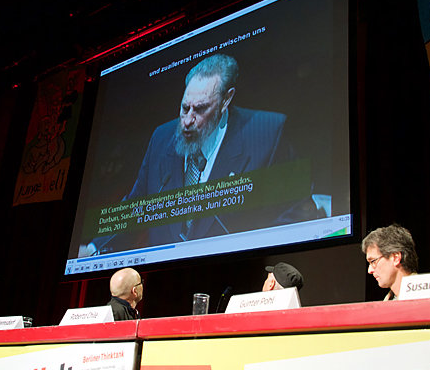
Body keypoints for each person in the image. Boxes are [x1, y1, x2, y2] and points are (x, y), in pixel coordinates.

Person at [84, 53, 317, 255]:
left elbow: (298, 210)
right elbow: (136, 207)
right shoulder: (162, 137)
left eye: (200, 109)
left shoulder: (266, 132)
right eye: (185, 108)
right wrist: (94, 249)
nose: (187, 121)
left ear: (226, 100)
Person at [361, 224, 419, 300]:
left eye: (373, 261)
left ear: (396, 258)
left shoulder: (428, 296)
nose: (370, 270)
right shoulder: (388, 302)